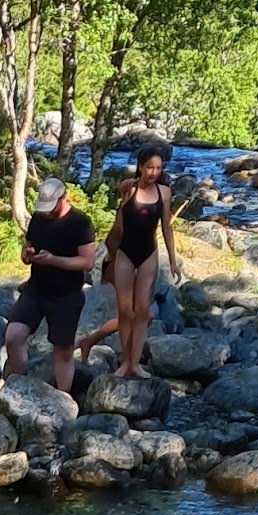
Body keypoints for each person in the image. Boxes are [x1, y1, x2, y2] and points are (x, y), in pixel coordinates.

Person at [4, 177, 97, 394]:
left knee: (62, 351)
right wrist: (28, 256)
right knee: (13, 335)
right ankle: (19, 386)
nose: (48, 213)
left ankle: (63, 397)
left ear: (63, 198)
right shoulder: (38, 219)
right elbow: (27, 250)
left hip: (66, 295)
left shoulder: (80, 222)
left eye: (52, 207)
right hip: (36, 289)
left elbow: (87, 261)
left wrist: (54, 259)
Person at [103, 147, 182, 377]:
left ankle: (135, 363)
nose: (154, 172)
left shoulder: (164, 192)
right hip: (125, 253)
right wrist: (111, 250)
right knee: (125, 310)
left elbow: (167, 227)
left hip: (149, 253)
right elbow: (119, 223)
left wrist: (173, 260)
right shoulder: (129, 188)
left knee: (143, 310)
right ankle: (124, 361)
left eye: (158, 168)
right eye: (150, 167)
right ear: (140, 167)